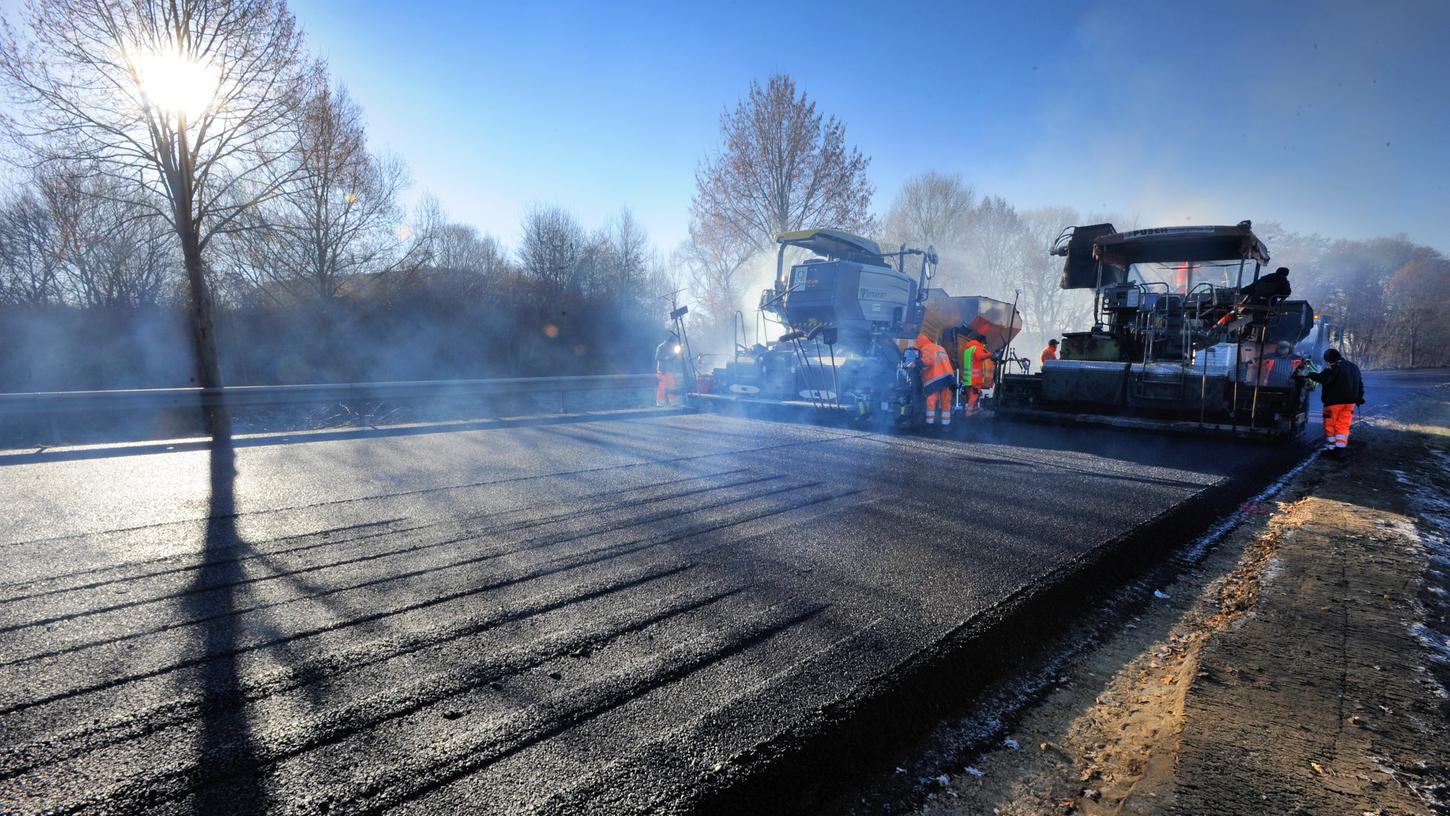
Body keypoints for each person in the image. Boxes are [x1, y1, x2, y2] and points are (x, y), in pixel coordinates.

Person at [1297, 348, 1364, 456]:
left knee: (1330, 425)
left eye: (1326, 361)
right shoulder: (1354, 367)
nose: (1326, 363)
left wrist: (1308, 374)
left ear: (1329, 359)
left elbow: (1323, 379)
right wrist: (1359, 398)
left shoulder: (1334, 367)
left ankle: (1332, 448)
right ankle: (1340, 449)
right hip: (1350, 403)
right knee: (1343, 425)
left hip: (1334, 402)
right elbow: (1360, 383)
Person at [915, 332, 955, 427]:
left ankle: (929, 424)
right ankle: (946, 425)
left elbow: (928, 360)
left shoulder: (926, 348)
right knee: (946, 402)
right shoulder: (940, 348)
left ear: (919, 342)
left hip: (935, 379)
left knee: (931, 401)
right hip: (947, 377)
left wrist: (916, 363)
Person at [960, 332, 989, 415]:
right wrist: (990, 355)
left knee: (970, 395)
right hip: (975, 379)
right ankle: (968, 413)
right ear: (982, 341)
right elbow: (979, 356)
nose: (984, 345)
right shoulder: (978, 348)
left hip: (967, 379)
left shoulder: (969, 349)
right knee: (974, 395)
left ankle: (974, 409)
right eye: (984, 344)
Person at [655, 332, 682, 406]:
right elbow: (657, 357)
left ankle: (673, 402)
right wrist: (665, 358)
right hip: (662, 370)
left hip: (669, 370)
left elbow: (672, 358)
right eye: (673, 344)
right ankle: (660, 403)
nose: (673, 345)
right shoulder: (661, 347)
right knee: (662, 387)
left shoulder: (672, 347)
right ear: (670, 342)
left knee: (672, 386)